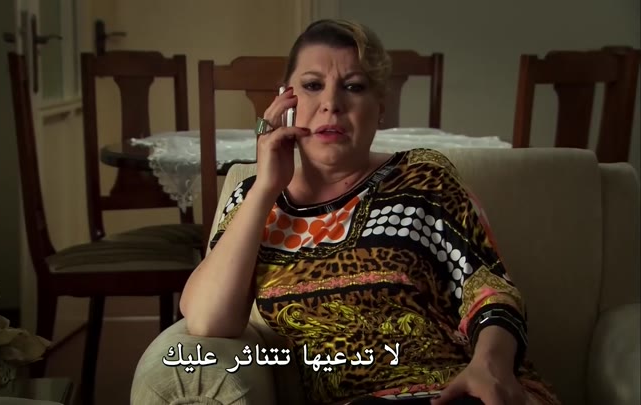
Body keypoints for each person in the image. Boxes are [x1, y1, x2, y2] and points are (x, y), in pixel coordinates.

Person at [179, 19, 560, 405]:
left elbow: (491, 290)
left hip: (457, 390)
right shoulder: (254, 200)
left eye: (354, 87)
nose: (331, 103)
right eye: (312, 85)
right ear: (285, 101)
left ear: (379, 107)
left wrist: (489, 366)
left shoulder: (422, 177)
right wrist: (265, 187)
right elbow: (208, 320)